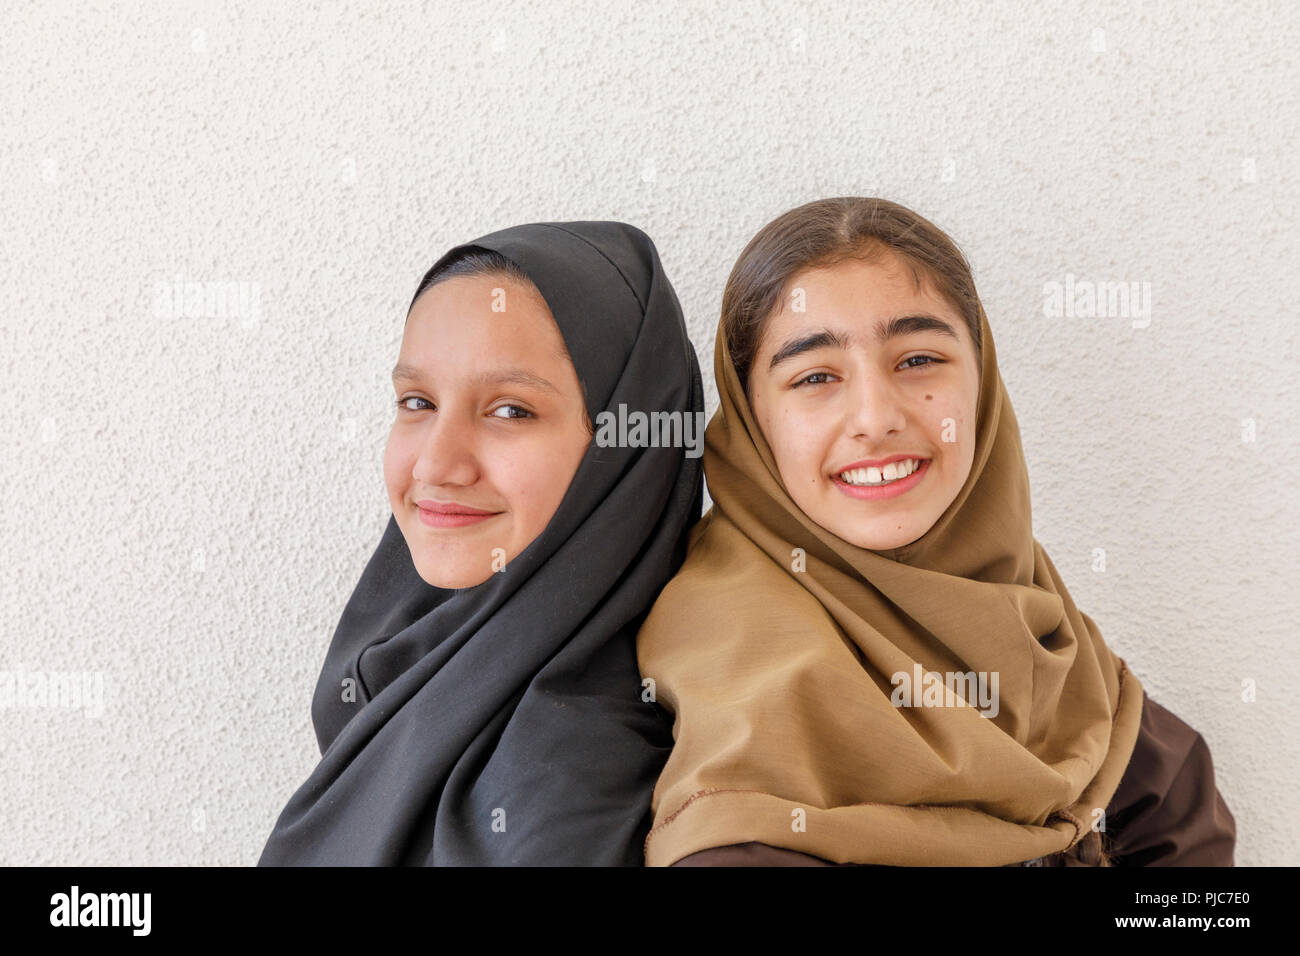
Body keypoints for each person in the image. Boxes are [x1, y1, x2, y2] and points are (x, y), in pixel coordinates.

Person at [636, 197, 1236, 867]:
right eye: (815, 376)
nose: (875, 416)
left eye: (918, 360)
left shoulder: (1060, 652)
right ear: (751, 422)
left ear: (983, 383)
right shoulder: (715, 692)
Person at [258, 221, 704, 865]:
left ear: (630, 449)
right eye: (417, 401)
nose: (437, 465)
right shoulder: (418, 674)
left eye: (510, 411)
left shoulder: (570, 784)